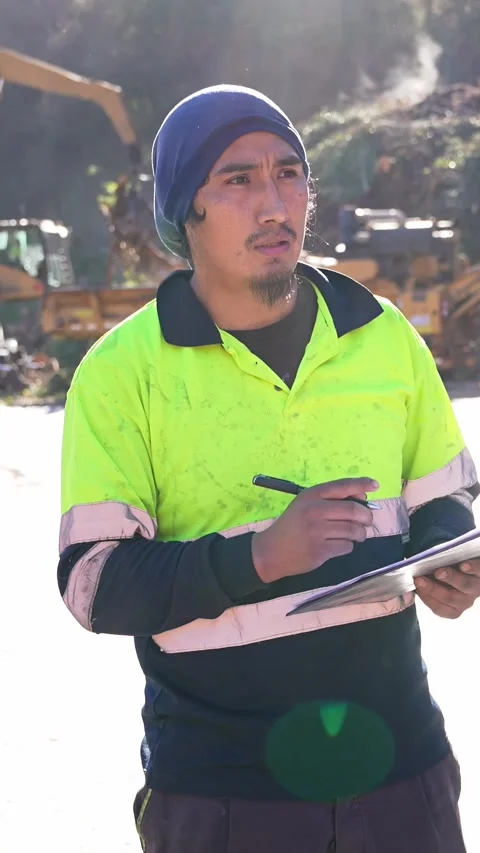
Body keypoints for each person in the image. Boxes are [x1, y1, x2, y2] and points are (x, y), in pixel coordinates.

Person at [58, 85, 480, 853]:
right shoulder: (122, 373)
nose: (274, 203)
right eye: (238, 180)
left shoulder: (384, 337)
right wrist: (259, 556)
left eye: (289, 173)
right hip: (223, 794)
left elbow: (446, 500)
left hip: (402, 773)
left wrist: (451, 564)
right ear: (187, 212)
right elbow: (94, 583)